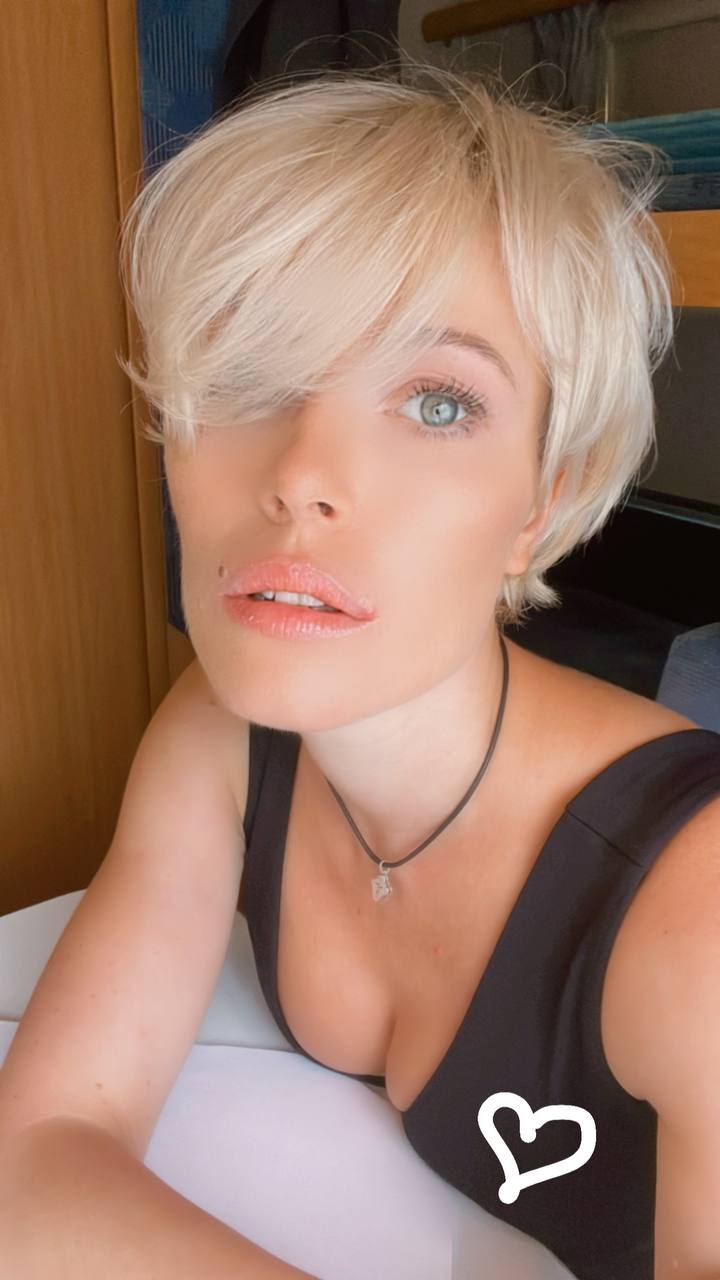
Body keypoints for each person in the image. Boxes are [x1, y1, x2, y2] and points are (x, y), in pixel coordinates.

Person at [2, 55, 719, 1280]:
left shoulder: (691, 908)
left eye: (437, 402)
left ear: (541, 503)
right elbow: (37, 1154)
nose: (300, 474)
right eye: (249, 372)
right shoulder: (220, 736)